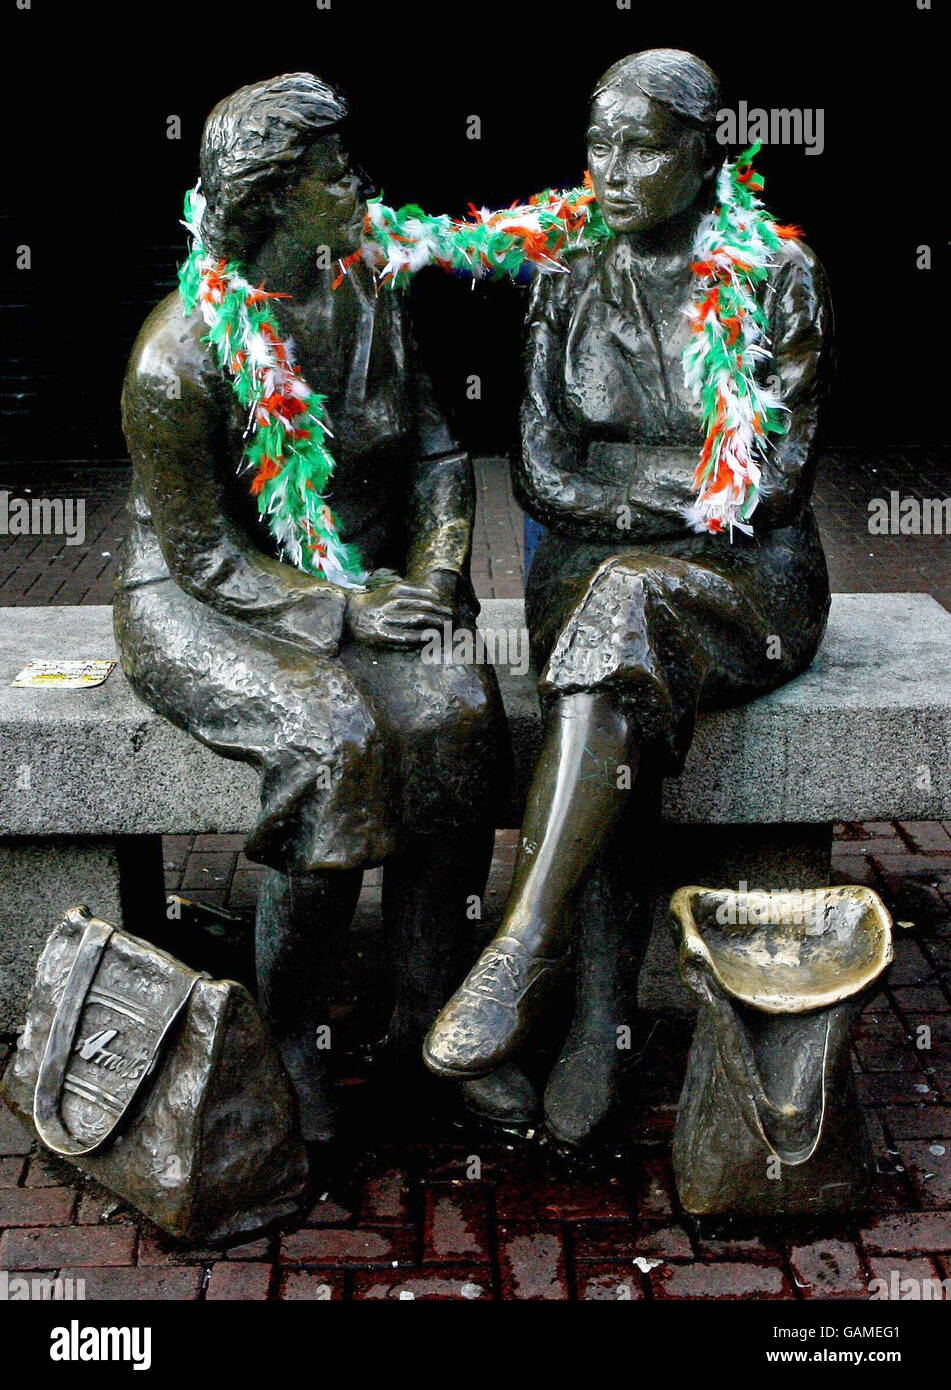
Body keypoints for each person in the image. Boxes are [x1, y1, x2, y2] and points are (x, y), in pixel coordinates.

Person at [424, 49, 833, 1145]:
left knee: (625, 619)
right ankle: (591, 1008)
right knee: (614, 637)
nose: (612, 168)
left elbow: (768, 483)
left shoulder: (776, 272)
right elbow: (541, 469)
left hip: (750, 583)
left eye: (644, 144)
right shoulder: (566, 271)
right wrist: (673, 483)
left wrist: (628, 484)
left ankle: (533, 955)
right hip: (594, 572)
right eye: (598, 141)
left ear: (707, 155)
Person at [114, 73, 529, 1144]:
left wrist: (437, 575)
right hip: (209, 601)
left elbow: (441, 452)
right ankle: (288, 1032)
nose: (359, 184)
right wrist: (344, 611)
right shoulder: (177, 359)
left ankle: (429, 1014)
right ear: (269, 197)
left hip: (372, 578)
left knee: (457, 708)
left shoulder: (368, 291)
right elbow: (207, 559)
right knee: (333, 733)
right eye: (333, 172)